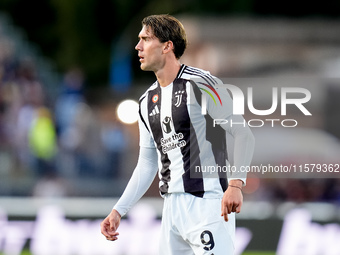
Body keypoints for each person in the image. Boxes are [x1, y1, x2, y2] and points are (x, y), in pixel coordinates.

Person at [101, 14, 255, 254]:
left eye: (146, 39)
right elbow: (146, 164)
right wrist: (119, 210)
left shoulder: (202, 84)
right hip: (172, 209)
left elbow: (243, 133)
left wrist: (235, 184)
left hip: (208, 203)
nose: (138, 46)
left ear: (167, 45)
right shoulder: (145, 102)